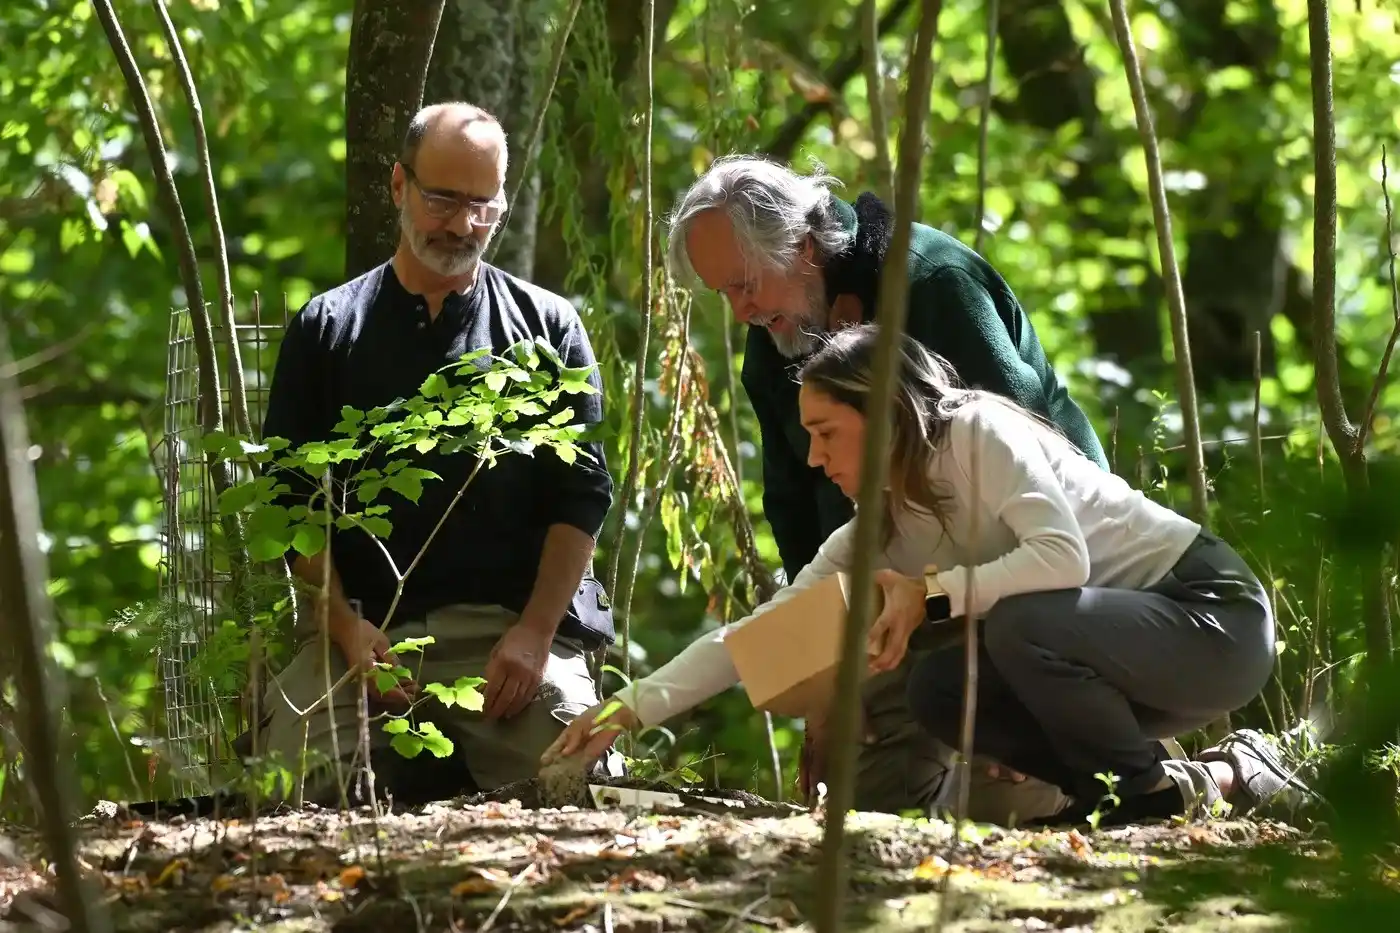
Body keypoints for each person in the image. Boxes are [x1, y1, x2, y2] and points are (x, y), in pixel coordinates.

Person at [545, 325, 1310, 826]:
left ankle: (1148, 790)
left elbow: (1062, 558)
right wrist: (632, 707)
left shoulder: (975, 430)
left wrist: (932, 593)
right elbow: (762, 636)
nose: (814, 457)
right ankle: (1199, 784)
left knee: (1019, 621)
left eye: (825, 432)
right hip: (1124, 662)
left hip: (1213, 620)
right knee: (938, 689)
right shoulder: (876, 531)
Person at [661, 155, 1109, 821]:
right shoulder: (777, 338)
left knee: (1013, 800)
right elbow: (800, 510)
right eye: (723, 293)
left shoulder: (934, 284)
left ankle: (1199, 774)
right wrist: (821, 684)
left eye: (746, 284)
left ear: (804, 246)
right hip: (897, 597)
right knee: (865, 810)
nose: (742, 311)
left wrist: (1019, 683)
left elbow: (1030, 481)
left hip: (1036, 576)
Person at [248, 102, 618, 805]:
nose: (461, 224)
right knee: (292, 788)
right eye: (443, 198)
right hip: (358, 639)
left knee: (578, 775)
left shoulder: (548, 328)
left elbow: (583, 496)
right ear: (398, 186)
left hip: (507, 638)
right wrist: (346, 629)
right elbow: (287, 501)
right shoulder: (328, 328)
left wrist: (537, 634)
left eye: (483, 205)